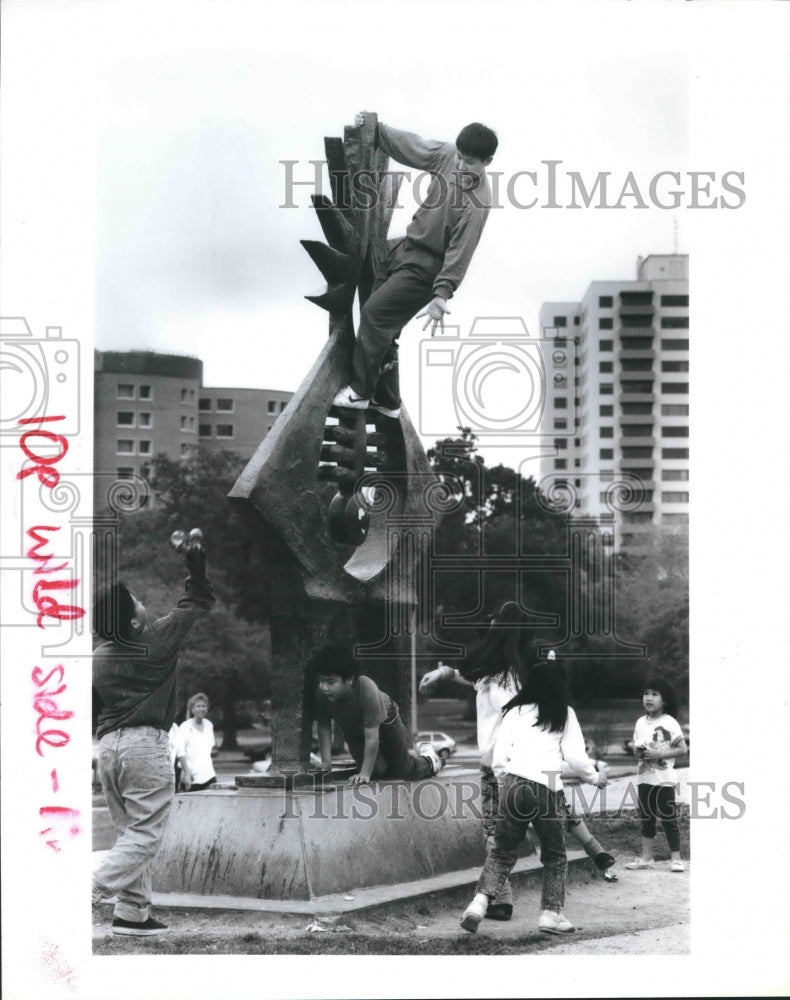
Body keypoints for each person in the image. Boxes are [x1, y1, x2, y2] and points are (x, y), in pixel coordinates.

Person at [421, 622, 616, 918]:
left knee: (498, 838)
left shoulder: (502, 679)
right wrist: (593, 775)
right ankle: (571, 883)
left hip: (506, 767)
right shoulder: (527, 676)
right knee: (555, 830)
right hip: (540, 774)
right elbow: (575, 756)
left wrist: (503, 778)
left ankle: (495, 900)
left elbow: (472, 676)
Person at [332, 111, 498, 419]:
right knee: (384, 326)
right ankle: (389, 400)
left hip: (427, 268)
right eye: (461, 158)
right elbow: (413, 146)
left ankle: (361, 392)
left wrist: (442, 295)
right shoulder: (448, 156)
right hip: (404, 248)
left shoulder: (479, 202)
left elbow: (462, 250)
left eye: (471, 162)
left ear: (487, 162)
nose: (462, 166)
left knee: (374, 315)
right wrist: (376, 130)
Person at [91, 530, 215, 936]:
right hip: (145, 746)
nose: (144, 604)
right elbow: (196, 602)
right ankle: (89, 885)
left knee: (129, 831)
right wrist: (195, 562)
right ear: (132, 620)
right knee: (145, 835)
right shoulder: (155, 641)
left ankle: (132, 913)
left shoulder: (98, 657)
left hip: (108, 749)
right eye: (137, 603)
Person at [459, 662, 608, 935]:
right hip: (547, 788)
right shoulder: (564, 712)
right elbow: (576, 758)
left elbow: (499, 757)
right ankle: (551, 914)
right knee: (554, 856)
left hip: (513, 784)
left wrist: (506, 783)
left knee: (502, 853)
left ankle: (477, 905)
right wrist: (595, 777)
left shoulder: (514, 711)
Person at [311, 644, 441, 783]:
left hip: (386, 722)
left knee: (403, 771)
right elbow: (324, 726)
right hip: (355, 731)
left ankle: (429, 759)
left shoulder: (365, 689)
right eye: (321, 680)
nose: (324, 687)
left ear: (349, 679)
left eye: (330, 682)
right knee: (377, 771)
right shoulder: (321, 695)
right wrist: (326, 763)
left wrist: (365, 773)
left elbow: (371, 736)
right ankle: (388, 762)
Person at [624, 677, 687, 873]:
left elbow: (682, 749)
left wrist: (659, 754)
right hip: (644, 778)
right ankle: (646, 858)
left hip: (664, 780)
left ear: (665, 700)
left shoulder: (669, 722)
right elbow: (637, 745)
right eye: (646, 694)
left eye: (654, 694)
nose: (648, 698)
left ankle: (676, 859)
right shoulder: (640, 722)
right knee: (647, 818)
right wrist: (637, 751)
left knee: (669, 819)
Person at [176, 692, 217, 792]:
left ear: (207, 708)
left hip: (209, 776)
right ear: (192, 709)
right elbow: (180, 752)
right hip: (191, 778)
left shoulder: (209, 725)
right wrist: (186, 773)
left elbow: (208, 751)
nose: (201, 709)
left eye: (203, 706)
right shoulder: (184, 727)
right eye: (198, 706)